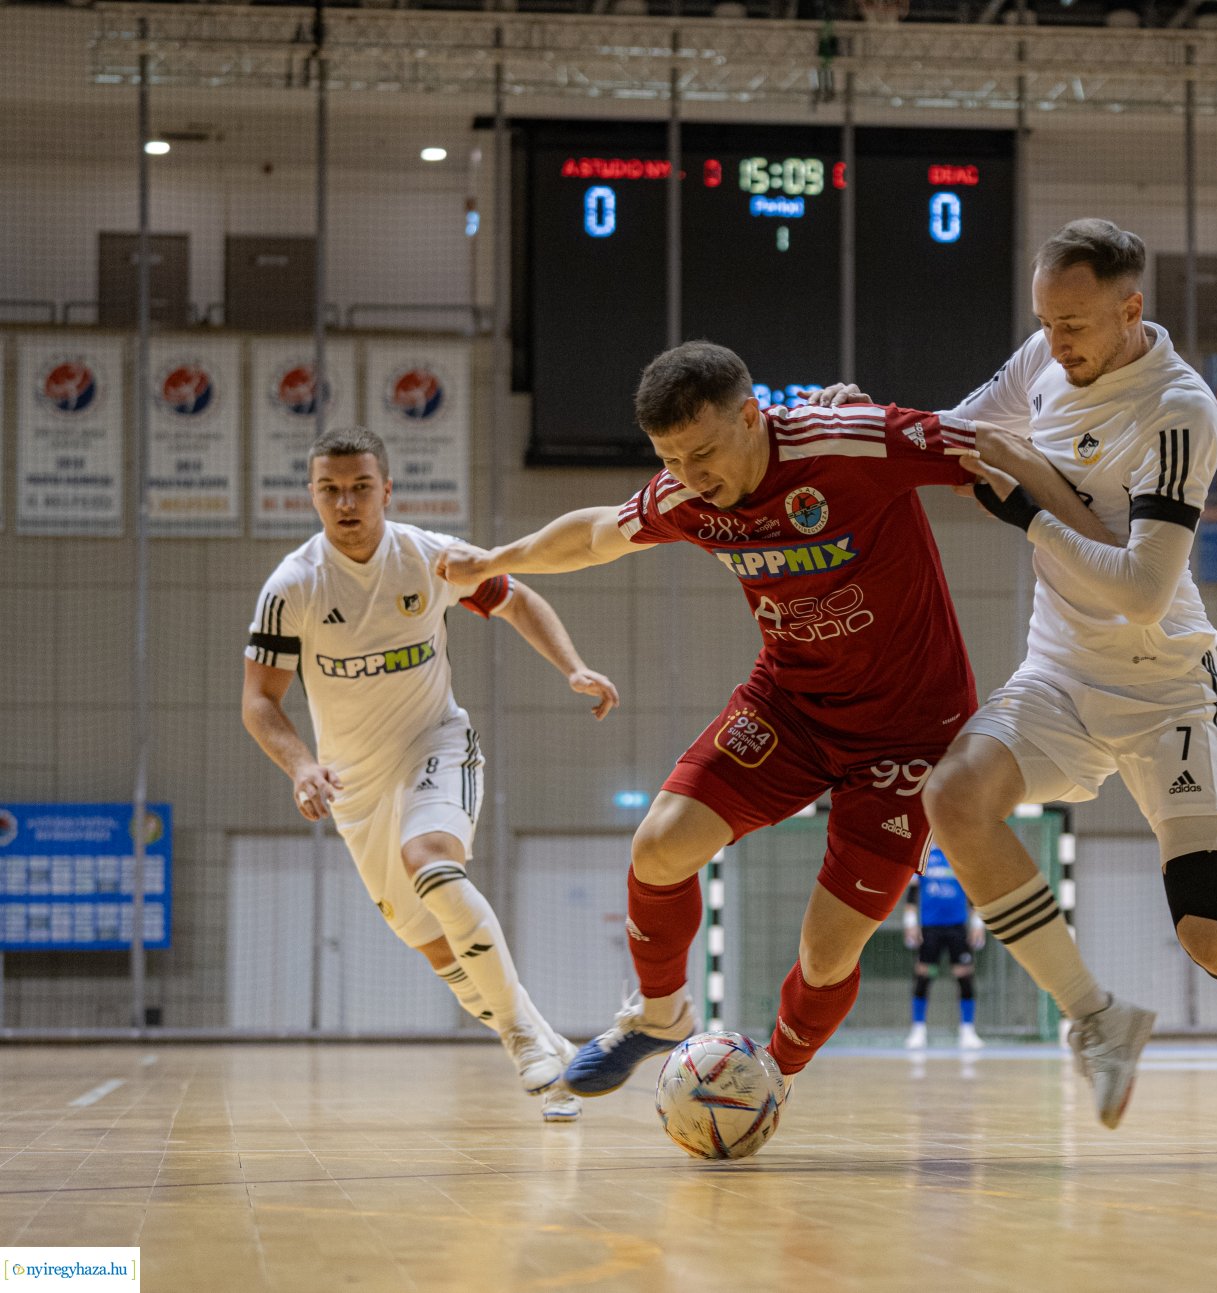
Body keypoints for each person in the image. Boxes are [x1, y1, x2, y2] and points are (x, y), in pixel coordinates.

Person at [820, 218, 1217, 1157]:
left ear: (1131, 310)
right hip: (1057, 673)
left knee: (1213, 934)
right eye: (1046, 323)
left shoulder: (1181, 410)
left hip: (1165, 687)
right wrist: (863, 422)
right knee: (954, 797)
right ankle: (1096, 1014)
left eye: (1076, 325)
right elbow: (957, 435)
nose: (1057, 344)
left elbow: (1141, 591)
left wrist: (1027, 510)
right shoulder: (1046, 359)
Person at [436, 342, 1105, 1116]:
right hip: (790, 705)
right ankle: (661, 1015)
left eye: (704, 451)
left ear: (752, 416)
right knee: (659, 846)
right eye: (670, 458)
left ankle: (769, 1079)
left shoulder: (849, 442)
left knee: (826, 953)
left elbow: (987, 444)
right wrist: (494, 559)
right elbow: (594, 536)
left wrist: (1110, 543)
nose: (690, 475)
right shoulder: (690, 495)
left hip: (910, 736)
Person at [241, 425, 618, 1123]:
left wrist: (574, 665)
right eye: (330, 489)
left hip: (434, 742)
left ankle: (519, 1040)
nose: (346, 503)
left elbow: (518, 600)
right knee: (441, 949)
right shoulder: (291, 586)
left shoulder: (427, 559)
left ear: (387, 490)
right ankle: (544, 1036)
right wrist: (301, 766)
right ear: (312, 496)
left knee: (432, 863)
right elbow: (260, 701)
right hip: (354, 786)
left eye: (360, 487)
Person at [904, 845, 987, 1050]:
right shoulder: (923, 857)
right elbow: (912, 896)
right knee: (924, 974)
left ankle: (967, 1031)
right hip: (929, 929)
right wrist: (910, 923)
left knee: (964, 975)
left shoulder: (960, 855)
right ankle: (918, 1030)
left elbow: (974, 896)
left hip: (957, 928)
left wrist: (977, 925)